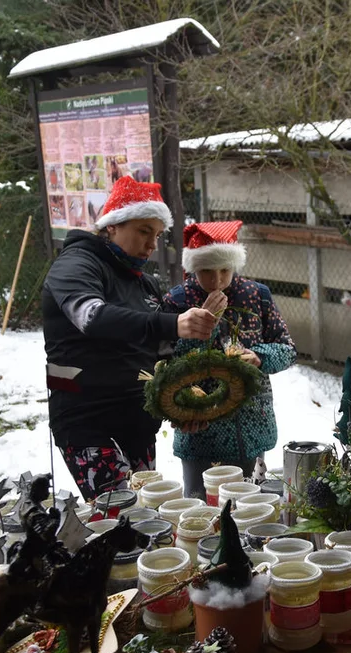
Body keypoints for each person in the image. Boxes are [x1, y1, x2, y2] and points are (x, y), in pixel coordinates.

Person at [42, 176, 218, 502]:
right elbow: (92, 317)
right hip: (85, 421)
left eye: (157, 234)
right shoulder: (76, 264)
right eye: (143, 231)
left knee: (149, 514)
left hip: (138, 420)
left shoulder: (145, 284)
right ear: (112, 225)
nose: (152, 244)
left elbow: (163, 356)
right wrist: (171, 322)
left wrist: (185, 404)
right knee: (124, 518)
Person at [162, 221, 296, 498]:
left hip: (249, 428)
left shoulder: (256, 295)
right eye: (207, 272)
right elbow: (166, 366)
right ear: (194, 268)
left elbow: (287, 348)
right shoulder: (178, 300)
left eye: (225, 270)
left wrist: (260, 356)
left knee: (250, 504)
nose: (218, 280)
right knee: (201, 504)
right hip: (200, 432)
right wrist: (201, 322)